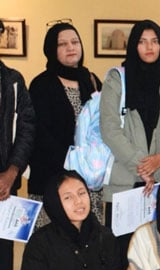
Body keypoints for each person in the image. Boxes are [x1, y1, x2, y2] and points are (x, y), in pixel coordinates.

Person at [100, 19, 160, 253]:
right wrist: (142, 165)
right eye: (142, 42)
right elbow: (109, 128)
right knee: (122, 257)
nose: (149, 47)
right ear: (133, 46)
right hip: (125, 179)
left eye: (155, 41)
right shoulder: (116, 79)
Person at [29, 22, 103, 227]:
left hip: (88, 180)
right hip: (52, 177)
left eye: (75, 42)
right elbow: (40, 133)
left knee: (89, 244)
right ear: (52, 50)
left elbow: (103, 125)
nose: (71, 47)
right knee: (54, 248)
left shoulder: (92, 80)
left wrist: (88, 166)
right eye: (62, 44)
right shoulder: (41, 84)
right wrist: (72, 163)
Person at [0, 25, 35, 270]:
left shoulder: (12, 80)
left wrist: (12, 171)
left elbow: (27, 128)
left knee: (2, 254)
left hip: (3, 185)